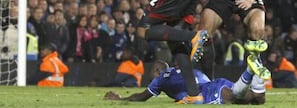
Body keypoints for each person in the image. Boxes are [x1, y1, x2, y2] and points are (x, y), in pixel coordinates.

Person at [104, 54, 266, 105]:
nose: (151, 76)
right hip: (216, 84)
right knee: (256, 100)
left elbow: (141, 97)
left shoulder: (162, 77)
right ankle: (255, 73)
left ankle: (250, 70)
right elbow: (204, 79)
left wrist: (120, 98)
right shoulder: (189, 71)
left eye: (152, 72)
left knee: (233, 97)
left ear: (158, 70)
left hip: (209, 92)